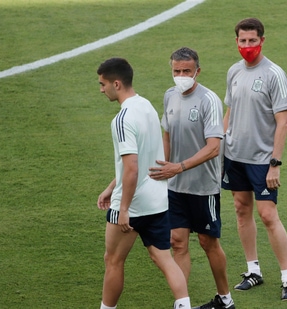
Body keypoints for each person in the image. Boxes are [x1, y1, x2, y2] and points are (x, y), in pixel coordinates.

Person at [95, 57, 191, 309]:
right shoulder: (146, 106)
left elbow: (132, 167)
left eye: (103, 84)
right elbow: (147, 155)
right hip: (157, 200)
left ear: (116, 83)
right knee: (164, 258)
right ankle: (184, 305)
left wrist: (124, 208)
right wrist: (110, 186)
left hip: (133, 203)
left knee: (113, 260)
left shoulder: (122, 119)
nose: (101, 89)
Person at [148, 47, 235, 309]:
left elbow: (213, 147)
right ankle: (183, 303)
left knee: (208, 243)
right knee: (177, 242)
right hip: (175, 185)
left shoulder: (208, 100)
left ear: (198, 71)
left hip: (203, 187)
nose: (181, 75)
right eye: (177, 71)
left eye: (187, 71)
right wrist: (164, 167)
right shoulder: (169, 96)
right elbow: (167, 134)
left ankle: (225, 298)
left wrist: (179, 167)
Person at [221, 17, 287, 301]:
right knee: (242, 210)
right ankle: (253, 270)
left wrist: (275, 163)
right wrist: (219, 143)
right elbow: (229, 111)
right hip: (234, 157)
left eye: (252, 40)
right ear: (236, 41)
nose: (247, 46)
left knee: (267, 215)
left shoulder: (273, 74)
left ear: (262, 41)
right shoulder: (234, 72)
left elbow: (284, 122)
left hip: (262, 160)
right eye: (242, 41)